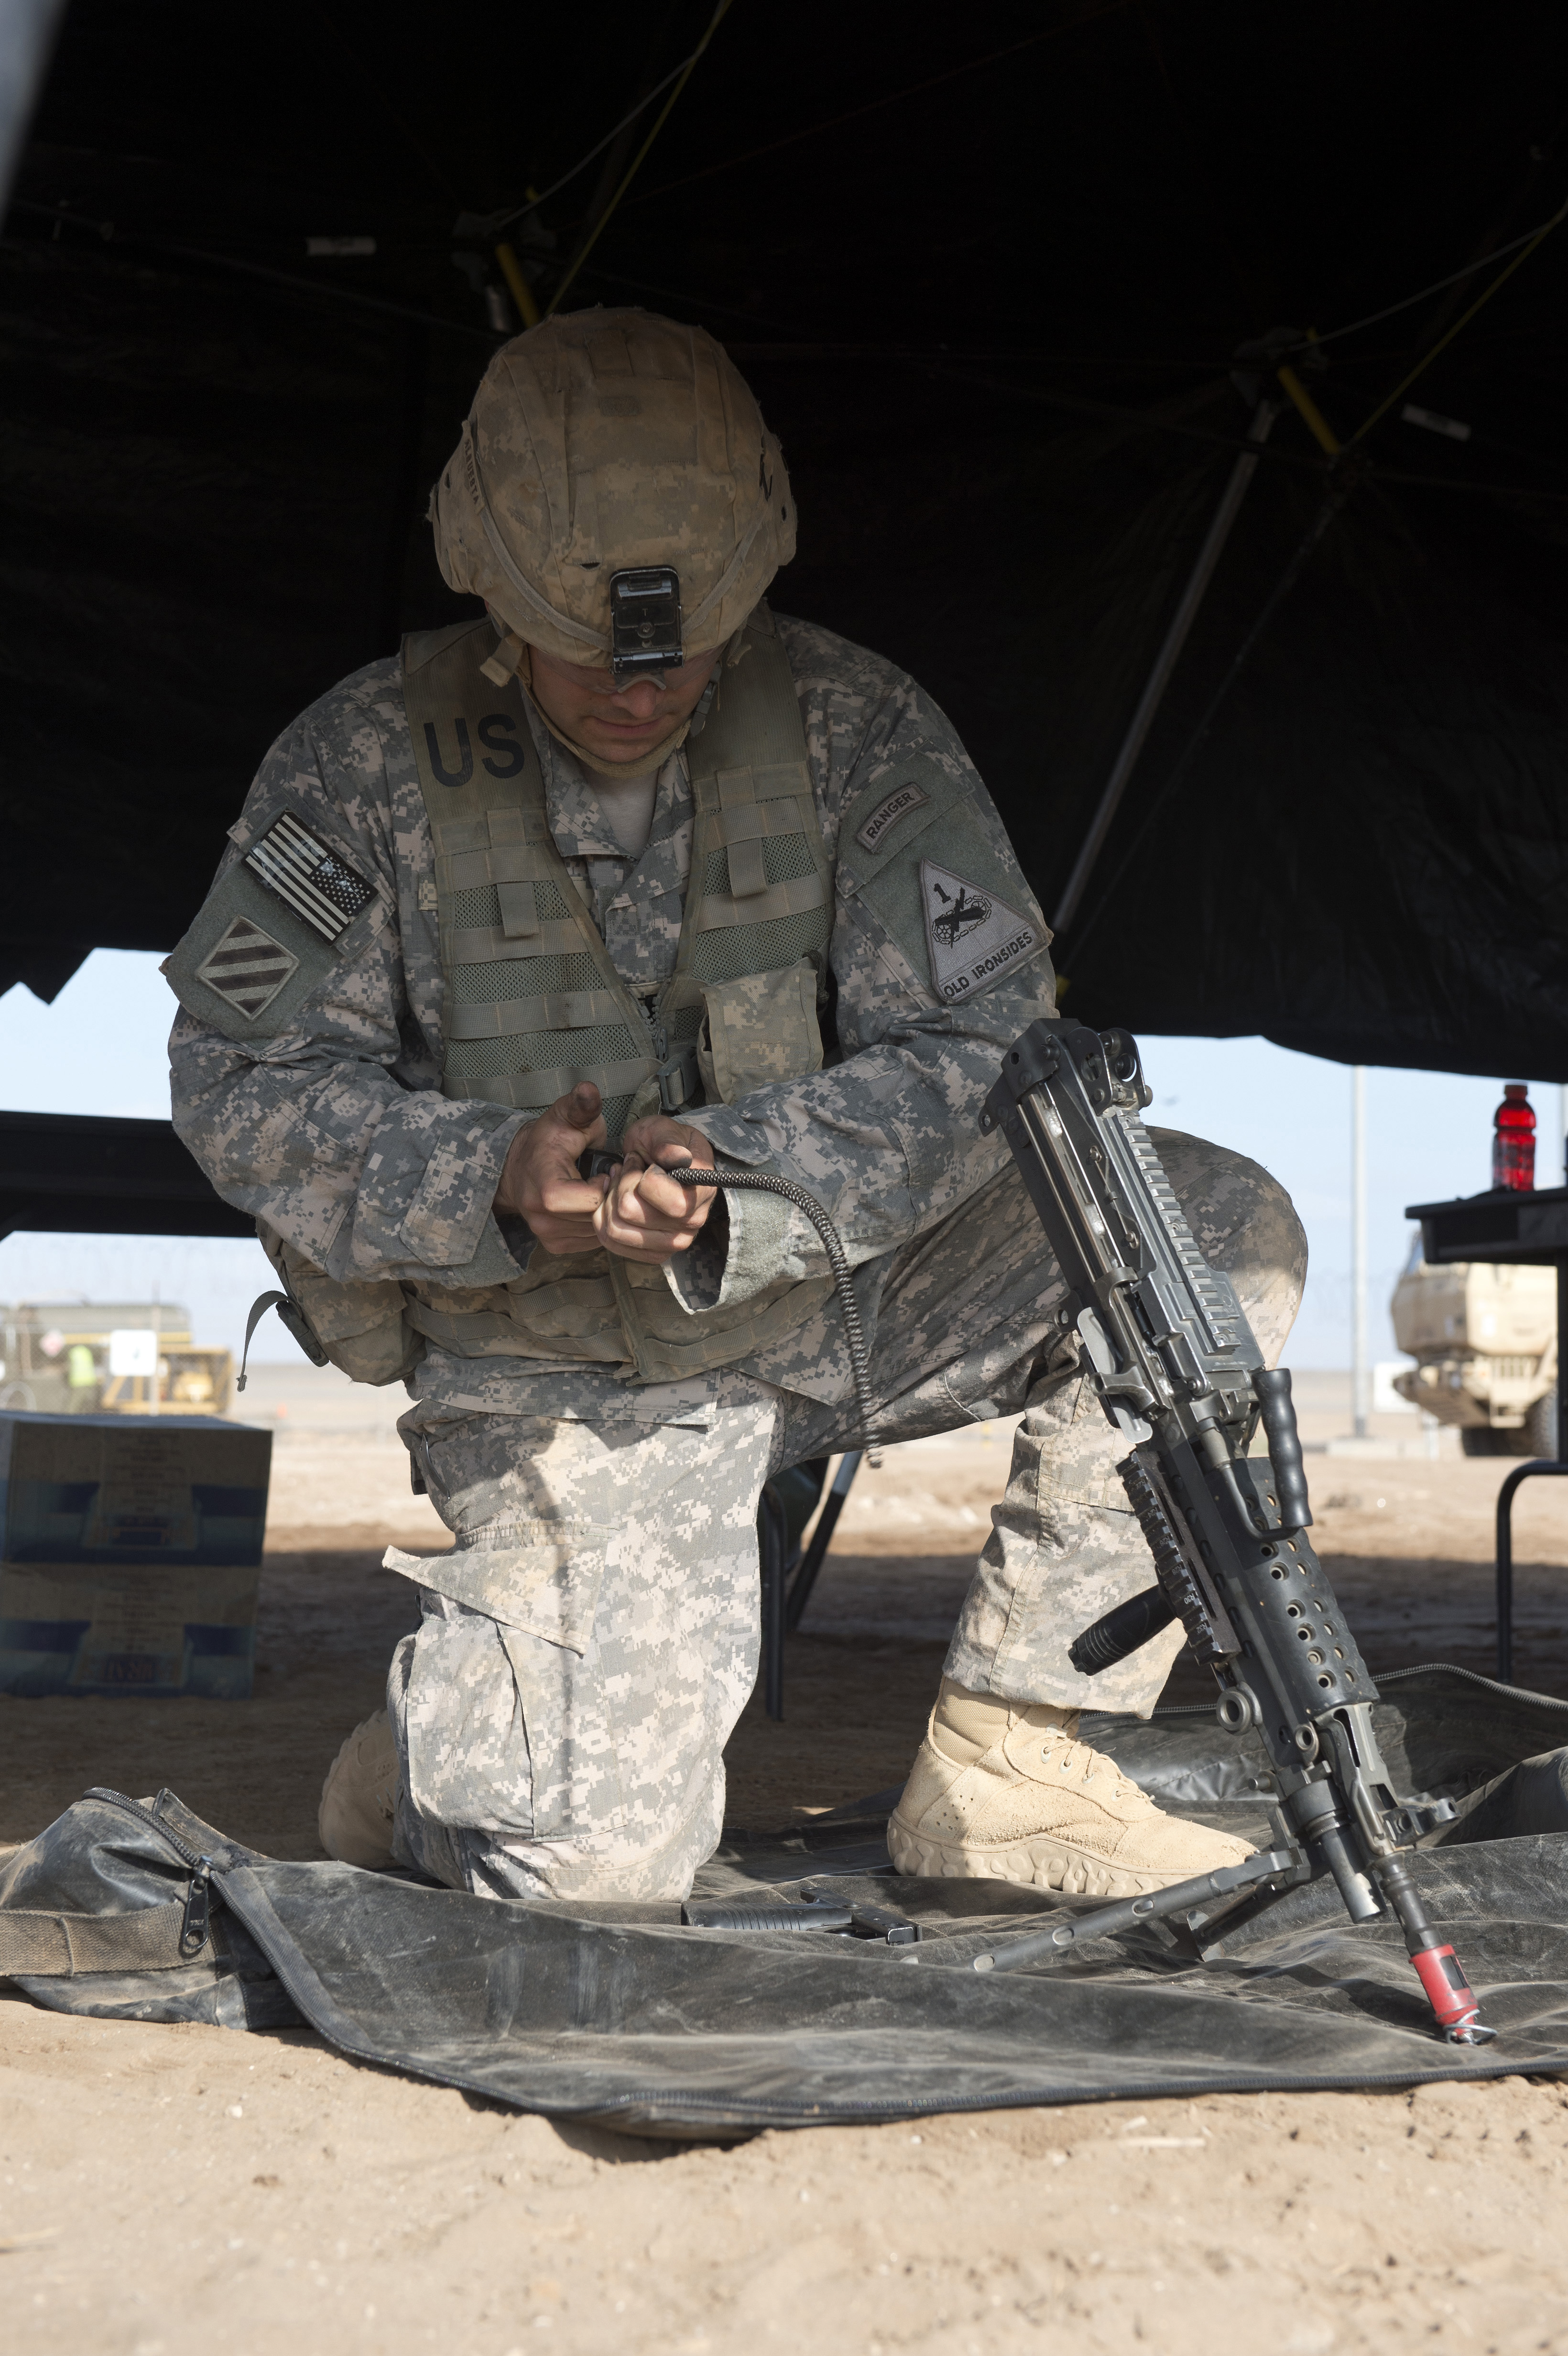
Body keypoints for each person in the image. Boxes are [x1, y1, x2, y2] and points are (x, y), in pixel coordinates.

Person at [165, 309, 1305, 1906]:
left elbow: (988, 1038)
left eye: (683, 647)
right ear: (491, 589)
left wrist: (735, 1172)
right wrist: (497, 1175)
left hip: (837, 1294)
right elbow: (241, 1083)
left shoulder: (851, 725)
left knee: (1203, 1228)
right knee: (587, 1877)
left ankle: (1016, 1749)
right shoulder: (365, 767)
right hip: (566, 1370)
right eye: (592, 646)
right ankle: (434, 1757)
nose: (641, 691)